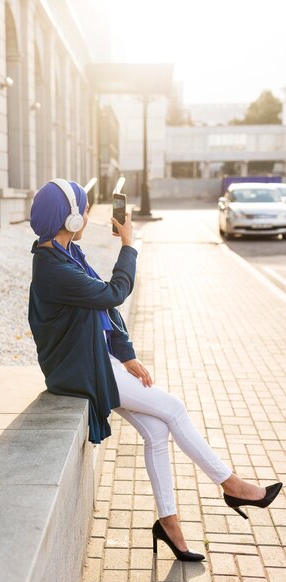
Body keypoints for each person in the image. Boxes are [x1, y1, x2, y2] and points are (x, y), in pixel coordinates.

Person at [28, 178, 283, 561]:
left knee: (159, 430)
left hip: (96, 357)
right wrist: (129, 245)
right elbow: (113, 293)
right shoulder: (53, 267)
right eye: (82, 206)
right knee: (174, 409)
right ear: (72, 216)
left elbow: (105, 308)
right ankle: (232, 485)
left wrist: (126, 353)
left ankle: (170, 526)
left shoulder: (66, 253)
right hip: (80, 368)